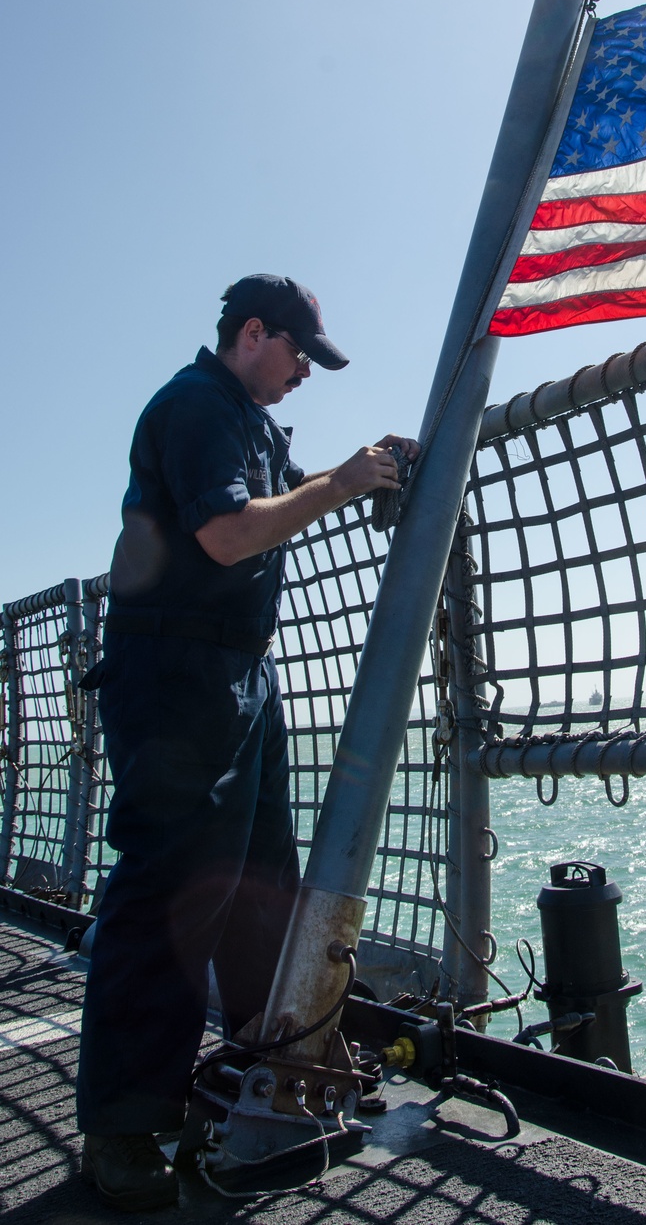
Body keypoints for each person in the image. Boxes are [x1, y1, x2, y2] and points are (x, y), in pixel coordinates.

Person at [76, 274, 418, 1212]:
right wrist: (343, 485)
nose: (306, 371)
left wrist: (356, 471)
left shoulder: (252, 424)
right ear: (252, 333)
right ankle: (122, 1126)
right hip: (178, 679)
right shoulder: (195, 406)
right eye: (299, 351)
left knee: (262, 880)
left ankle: (260, 1076)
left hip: (239, 679)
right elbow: (226, 536)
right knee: (170, 890)